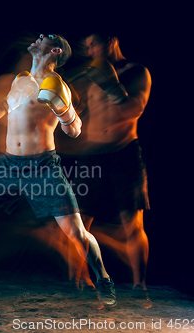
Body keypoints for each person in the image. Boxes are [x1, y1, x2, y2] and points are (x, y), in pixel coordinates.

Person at [0, 34, 116, 306]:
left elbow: (75, 130)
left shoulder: (59, 85)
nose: (39, 37)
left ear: (55, 51)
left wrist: (63, 108)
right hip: (8, 164)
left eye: (46, 38)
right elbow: (2, 113)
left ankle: (103, 279)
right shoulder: (20, 79)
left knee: (75, 232)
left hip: (42, 166)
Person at [57, 32, 152, 293]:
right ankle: (80, 279)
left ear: (111, 41)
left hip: (124, 153)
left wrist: (110, 83)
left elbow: (133, 110)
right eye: (86, 47)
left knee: (132, 223)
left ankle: (139, 285)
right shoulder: (88, 72)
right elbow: (74, 112)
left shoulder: (136, 72)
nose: (90, 52)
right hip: (92, 155)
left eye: (93, 45)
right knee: (78, 222)